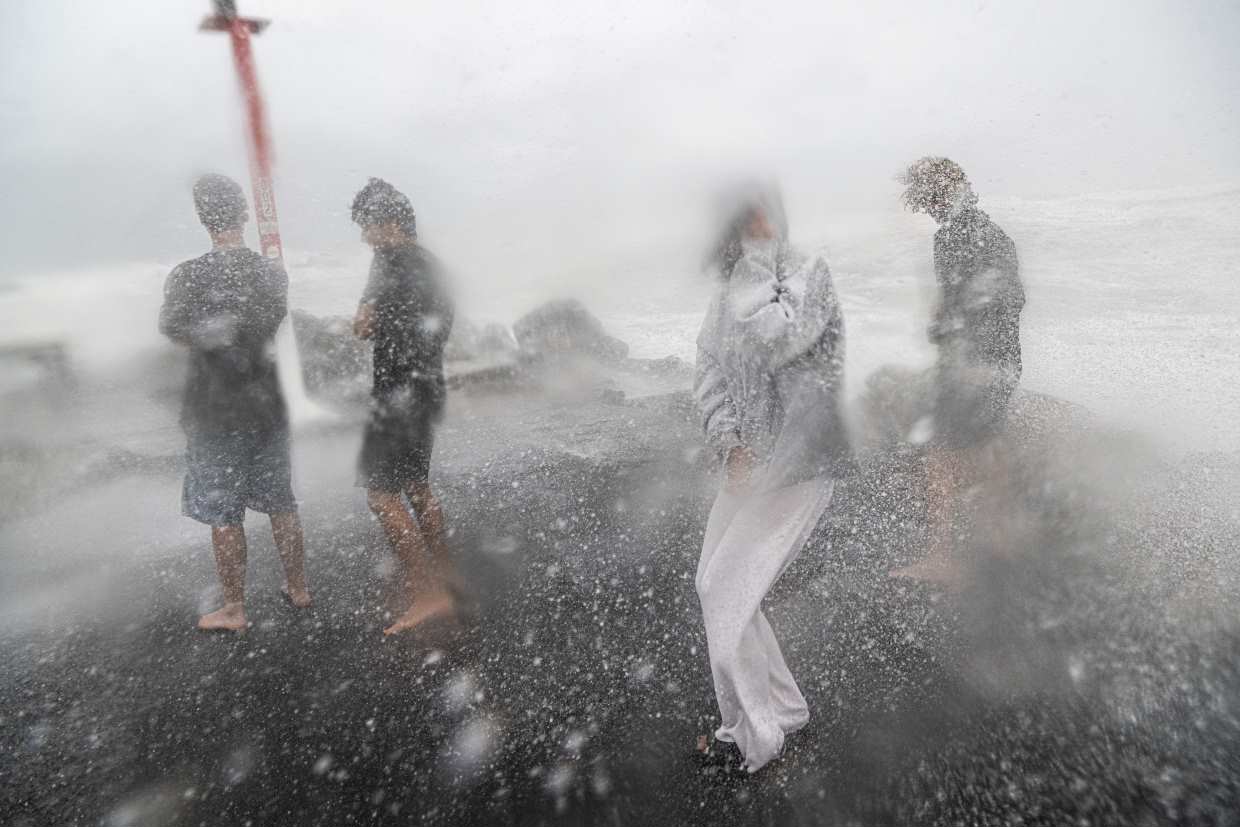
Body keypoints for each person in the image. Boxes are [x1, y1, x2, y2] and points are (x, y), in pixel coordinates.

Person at [693, 183, 851, 773]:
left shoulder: (808, 270)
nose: (759, 221)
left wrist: (759, 259)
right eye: (749, 214)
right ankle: (783, 709)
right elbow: (708, 369)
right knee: (715, 583)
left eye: (766, 213)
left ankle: (753, 737)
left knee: (726, 591)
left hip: (799, 463)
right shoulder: (727, 289)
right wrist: (729, 443)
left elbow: (786, 336)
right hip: (747, 465)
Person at [160, 173, 311, 632]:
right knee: (281, 503)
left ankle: (234, 608)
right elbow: (270, 323)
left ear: (204, 221)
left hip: (215, 409)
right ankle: (299, 587)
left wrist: (211, 343)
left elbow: (174, 332)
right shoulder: (272, 273)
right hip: (267, 404)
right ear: (244, 215)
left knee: (225, 515)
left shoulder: (186, 275)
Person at [891, 157, 1025, 586]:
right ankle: (1002, 539)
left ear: (935, 195)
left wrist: (963, 351)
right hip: (1002, 361)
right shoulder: (992, 232)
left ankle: (944, 555)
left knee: (940, 454)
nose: (927, 212)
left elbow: (974, 304)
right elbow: (1008, 298)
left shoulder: (954, 236)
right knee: (988, 445)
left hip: (973, 366)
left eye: (927, 202)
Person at [350, 178, 457, 636]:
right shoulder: (429, 266)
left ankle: (428, 592)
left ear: (390, 224)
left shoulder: (394, 264)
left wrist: (368, 319)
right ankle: (444, 576)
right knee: (417, 486)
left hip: (398, 395)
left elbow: (371, 325)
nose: (364, 239)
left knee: (381, 494)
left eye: (368, 227)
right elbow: (431, 328)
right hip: (427, 389)